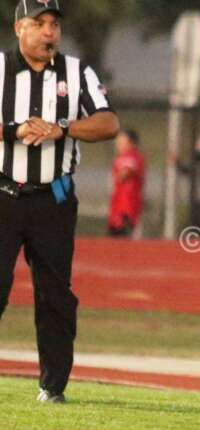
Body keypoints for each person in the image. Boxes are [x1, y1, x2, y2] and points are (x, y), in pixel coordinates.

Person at [0, 0, 119, 403]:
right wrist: (13, 131)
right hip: (3, 194)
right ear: (19, 28)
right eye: (40, 23)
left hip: (53, 199)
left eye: (54, 24)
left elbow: (108, 122)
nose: (50, 32)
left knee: (55, 295)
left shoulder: (77, 71)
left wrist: (62, 128)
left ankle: (52, 387)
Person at [108, 130, 146, 238]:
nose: (117, 144)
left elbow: (127, 171)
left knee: (122, 239)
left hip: (127, 206)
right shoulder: (121, 157)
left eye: (121, 141)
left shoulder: (132, 156)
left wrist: (122, 175)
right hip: (118, 205)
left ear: (131, 142)